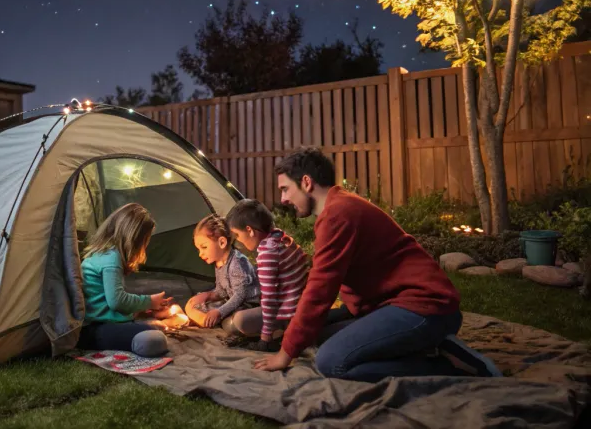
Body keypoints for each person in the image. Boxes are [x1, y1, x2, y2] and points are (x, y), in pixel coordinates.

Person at [253, 147, 501, 381]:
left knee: (331, 362)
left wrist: (285, 354)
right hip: (389, 304)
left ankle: (451, 365)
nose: (283, 199)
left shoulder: (338, 214)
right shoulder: (338, 207)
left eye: (285, 189)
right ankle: (425, 345)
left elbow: (320, 289)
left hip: (425, 307)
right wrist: (296, 336)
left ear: (306, 182)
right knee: (312, 334)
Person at [79, 203, 173, 358]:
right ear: (134, 239)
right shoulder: (111, 258)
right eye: (145, 241)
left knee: (149, 326)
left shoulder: (103, 254)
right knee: (154, 337)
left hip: (98, 325)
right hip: (94, 330)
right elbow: (117, 301)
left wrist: (141, 309)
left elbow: (105, 301)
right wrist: (150, 301)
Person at [225, 200, 310, 351]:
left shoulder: (267, 253)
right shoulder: (281, 238)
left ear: (250, 230)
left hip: (290, 312)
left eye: (237, 235)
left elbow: (270, 301)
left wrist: (265, 338)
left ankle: (280, 331)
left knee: (238, 321)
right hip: (302, 303)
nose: (238, 240)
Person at [185, 214, 261, 329]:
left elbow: (240, 295)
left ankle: (210, 320)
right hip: (234, 301)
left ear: (222, 242)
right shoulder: (219, 263)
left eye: (204, 247)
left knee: (232, 323)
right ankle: (207, 319)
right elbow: (222, 291)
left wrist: (219, 312)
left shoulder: (237, 262)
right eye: (198, 249)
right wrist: (208, 295)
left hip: (249, 304)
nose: (200, 254)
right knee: (197, 305)